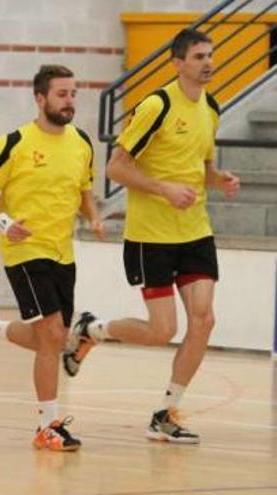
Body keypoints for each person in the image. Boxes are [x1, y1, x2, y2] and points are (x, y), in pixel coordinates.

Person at [63, 29, 240, 444]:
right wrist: (164, 189)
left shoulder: (210, 108)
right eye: (198, 56)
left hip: (194, 231)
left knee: (204, 320)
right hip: (151, 237)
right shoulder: (156, 106)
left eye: (210, 55)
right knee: (163, 331)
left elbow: (202, 168)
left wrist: (219, 180)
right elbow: (116, 169)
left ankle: (166, 412)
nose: (208, 63)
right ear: (177, 63)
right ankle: (93, 329)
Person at [0, 64, 103, 451]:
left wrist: (92, 215)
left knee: (53, 339)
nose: (69, 100)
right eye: (62, 94)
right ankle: (47, 426)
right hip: (24, 250)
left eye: (73, 93)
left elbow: (84, 189)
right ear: (40, 99)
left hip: (63, 252)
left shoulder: (81, 143)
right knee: (54, 336)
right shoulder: (15, 142)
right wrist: (4, 222)